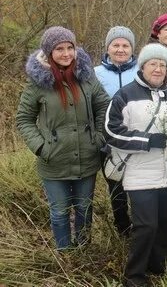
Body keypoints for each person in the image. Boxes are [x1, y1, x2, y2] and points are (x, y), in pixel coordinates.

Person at [16, 26, 110, 250]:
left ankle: (83, 251)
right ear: (49, 52)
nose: (66, 53)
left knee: (84, 209)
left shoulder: (86, 77)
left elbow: (104, 106)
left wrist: (97, 138)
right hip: (53, 162)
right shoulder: (38, 83)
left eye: (70, 48)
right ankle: (64, 254)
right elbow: (24, 119)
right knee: (59, 212)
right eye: (60, 49)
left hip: (87, 158)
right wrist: (41, 147)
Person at [104, 44, 167, 287]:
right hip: (140, 176)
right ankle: (134, 276)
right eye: (153, 64)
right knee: (146, 226)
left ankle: (157, 266)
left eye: (163, 65)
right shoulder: (125, 95)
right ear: (143, 66)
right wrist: (146, 140)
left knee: (164, 224)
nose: (158, 69)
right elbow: (110, 131)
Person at [94, 25, 138, 236]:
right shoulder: (95, 74)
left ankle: (142, 227)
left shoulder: (142, 71)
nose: (121, 49)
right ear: (108, 47)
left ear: (132, 48)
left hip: (137, 139)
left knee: (139, 186)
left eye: (125, 45)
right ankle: (123, 228)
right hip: (108, 141)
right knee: (116, 187)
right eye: (116, 45)